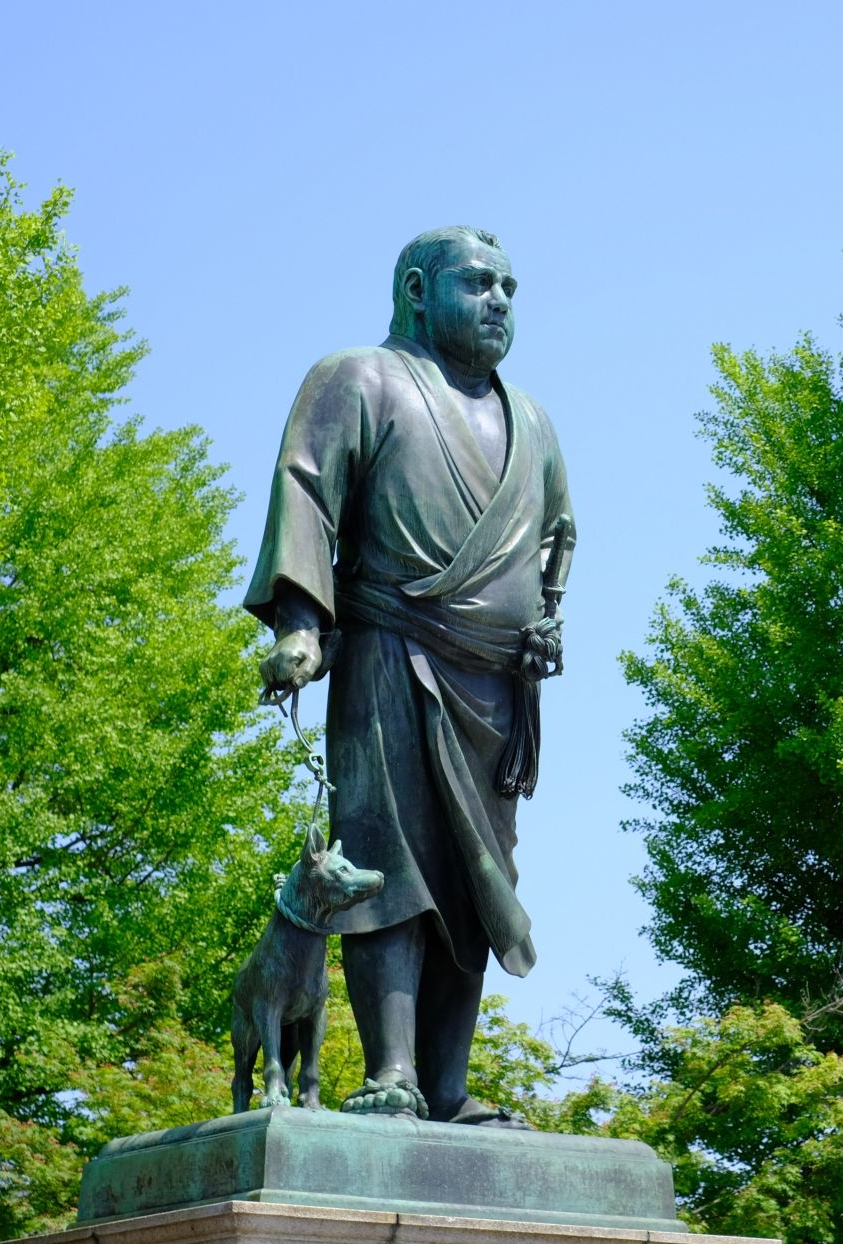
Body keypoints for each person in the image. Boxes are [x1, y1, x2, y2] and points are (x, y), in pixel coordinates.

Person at [244, 225, 573, 1123]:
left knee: (480, 876)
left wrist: (548, 624)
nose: (501, 299)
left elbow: (556, 541)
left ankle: (452, 1085)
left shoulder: (532, 421)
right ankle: (392, 1072)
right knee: (387, 861)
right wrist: (303, 627)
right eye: (479, 282)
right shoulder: (359, 379)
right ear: (419, 289)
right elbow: (307, 489)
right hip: (390, 649)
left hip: (496, 684)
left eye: (511, 285)